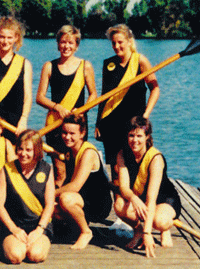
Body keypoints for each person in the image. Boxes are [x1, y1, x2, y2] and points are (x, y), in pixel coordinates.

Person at [36, 25, 97, 188]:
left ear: (76, 46)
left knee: (77, 168)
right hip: (55, 125)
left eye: (70, 43)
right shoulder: (49, 66)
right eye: (63, 42)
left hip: (77, 125)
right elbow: (40, 97)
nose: (66, 46)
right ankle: (56, 207)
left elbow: (93, 95)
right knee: (59, 171)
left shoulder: (85, 66)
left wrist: (83, 109)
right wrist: (57, 107)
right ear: (57, 44)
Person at [113, 116, 181, 258]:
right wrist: (134, 199)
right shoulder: (122, 154)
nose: (134, 140)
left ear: (147, 136)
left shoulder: (155, 158)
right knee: (119, 206)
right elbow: (124, 187)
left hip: (164, 199)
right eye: (131, 135)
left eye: (139, 136)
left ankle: (165, 228)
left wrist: (148, 234)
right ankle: (137, 229)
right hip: (140, 197)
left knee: (159, 221)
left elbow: (151, 199)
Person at [95, 24, 160, 173]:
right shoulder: (108, 64)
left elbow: (155, 89)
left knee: (135, 163)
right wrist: (98, 123)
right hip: (110, 123)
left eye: (120, 42)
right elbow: (104, 95)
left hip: (134, 123)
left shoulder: (140, 61)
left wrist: (145, 115)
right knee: (115, 167)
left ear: (129, 41)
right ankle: (119, 195)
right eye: (113, 43)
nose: (116, 46)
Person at [0, 130, 55, 264]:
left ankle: (35, 243)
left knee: (35, 255)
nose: (23, 153)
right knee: (16, 256)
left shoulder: (46, 169)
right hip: (13, 224)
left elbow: (50, 204)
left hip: (38, 225)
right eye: (20, 149)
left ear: (37, 150)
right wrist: (13, 229)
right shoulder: (7, 169)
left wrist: (39, 229)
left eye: (28, 150)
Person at [54, 114, 112, 250]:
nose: (67, 137)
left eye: (72, 133)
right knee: (52, 209)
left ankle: (86, 232)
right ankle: (77, 225)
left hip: (98, 204)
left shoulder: (88, 153)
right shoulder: (70, 151)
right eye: (64, 132)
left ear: (82, 133)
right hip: (83, 199)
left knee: (65, 199)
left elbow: (74, 186)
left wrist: (50, 194)